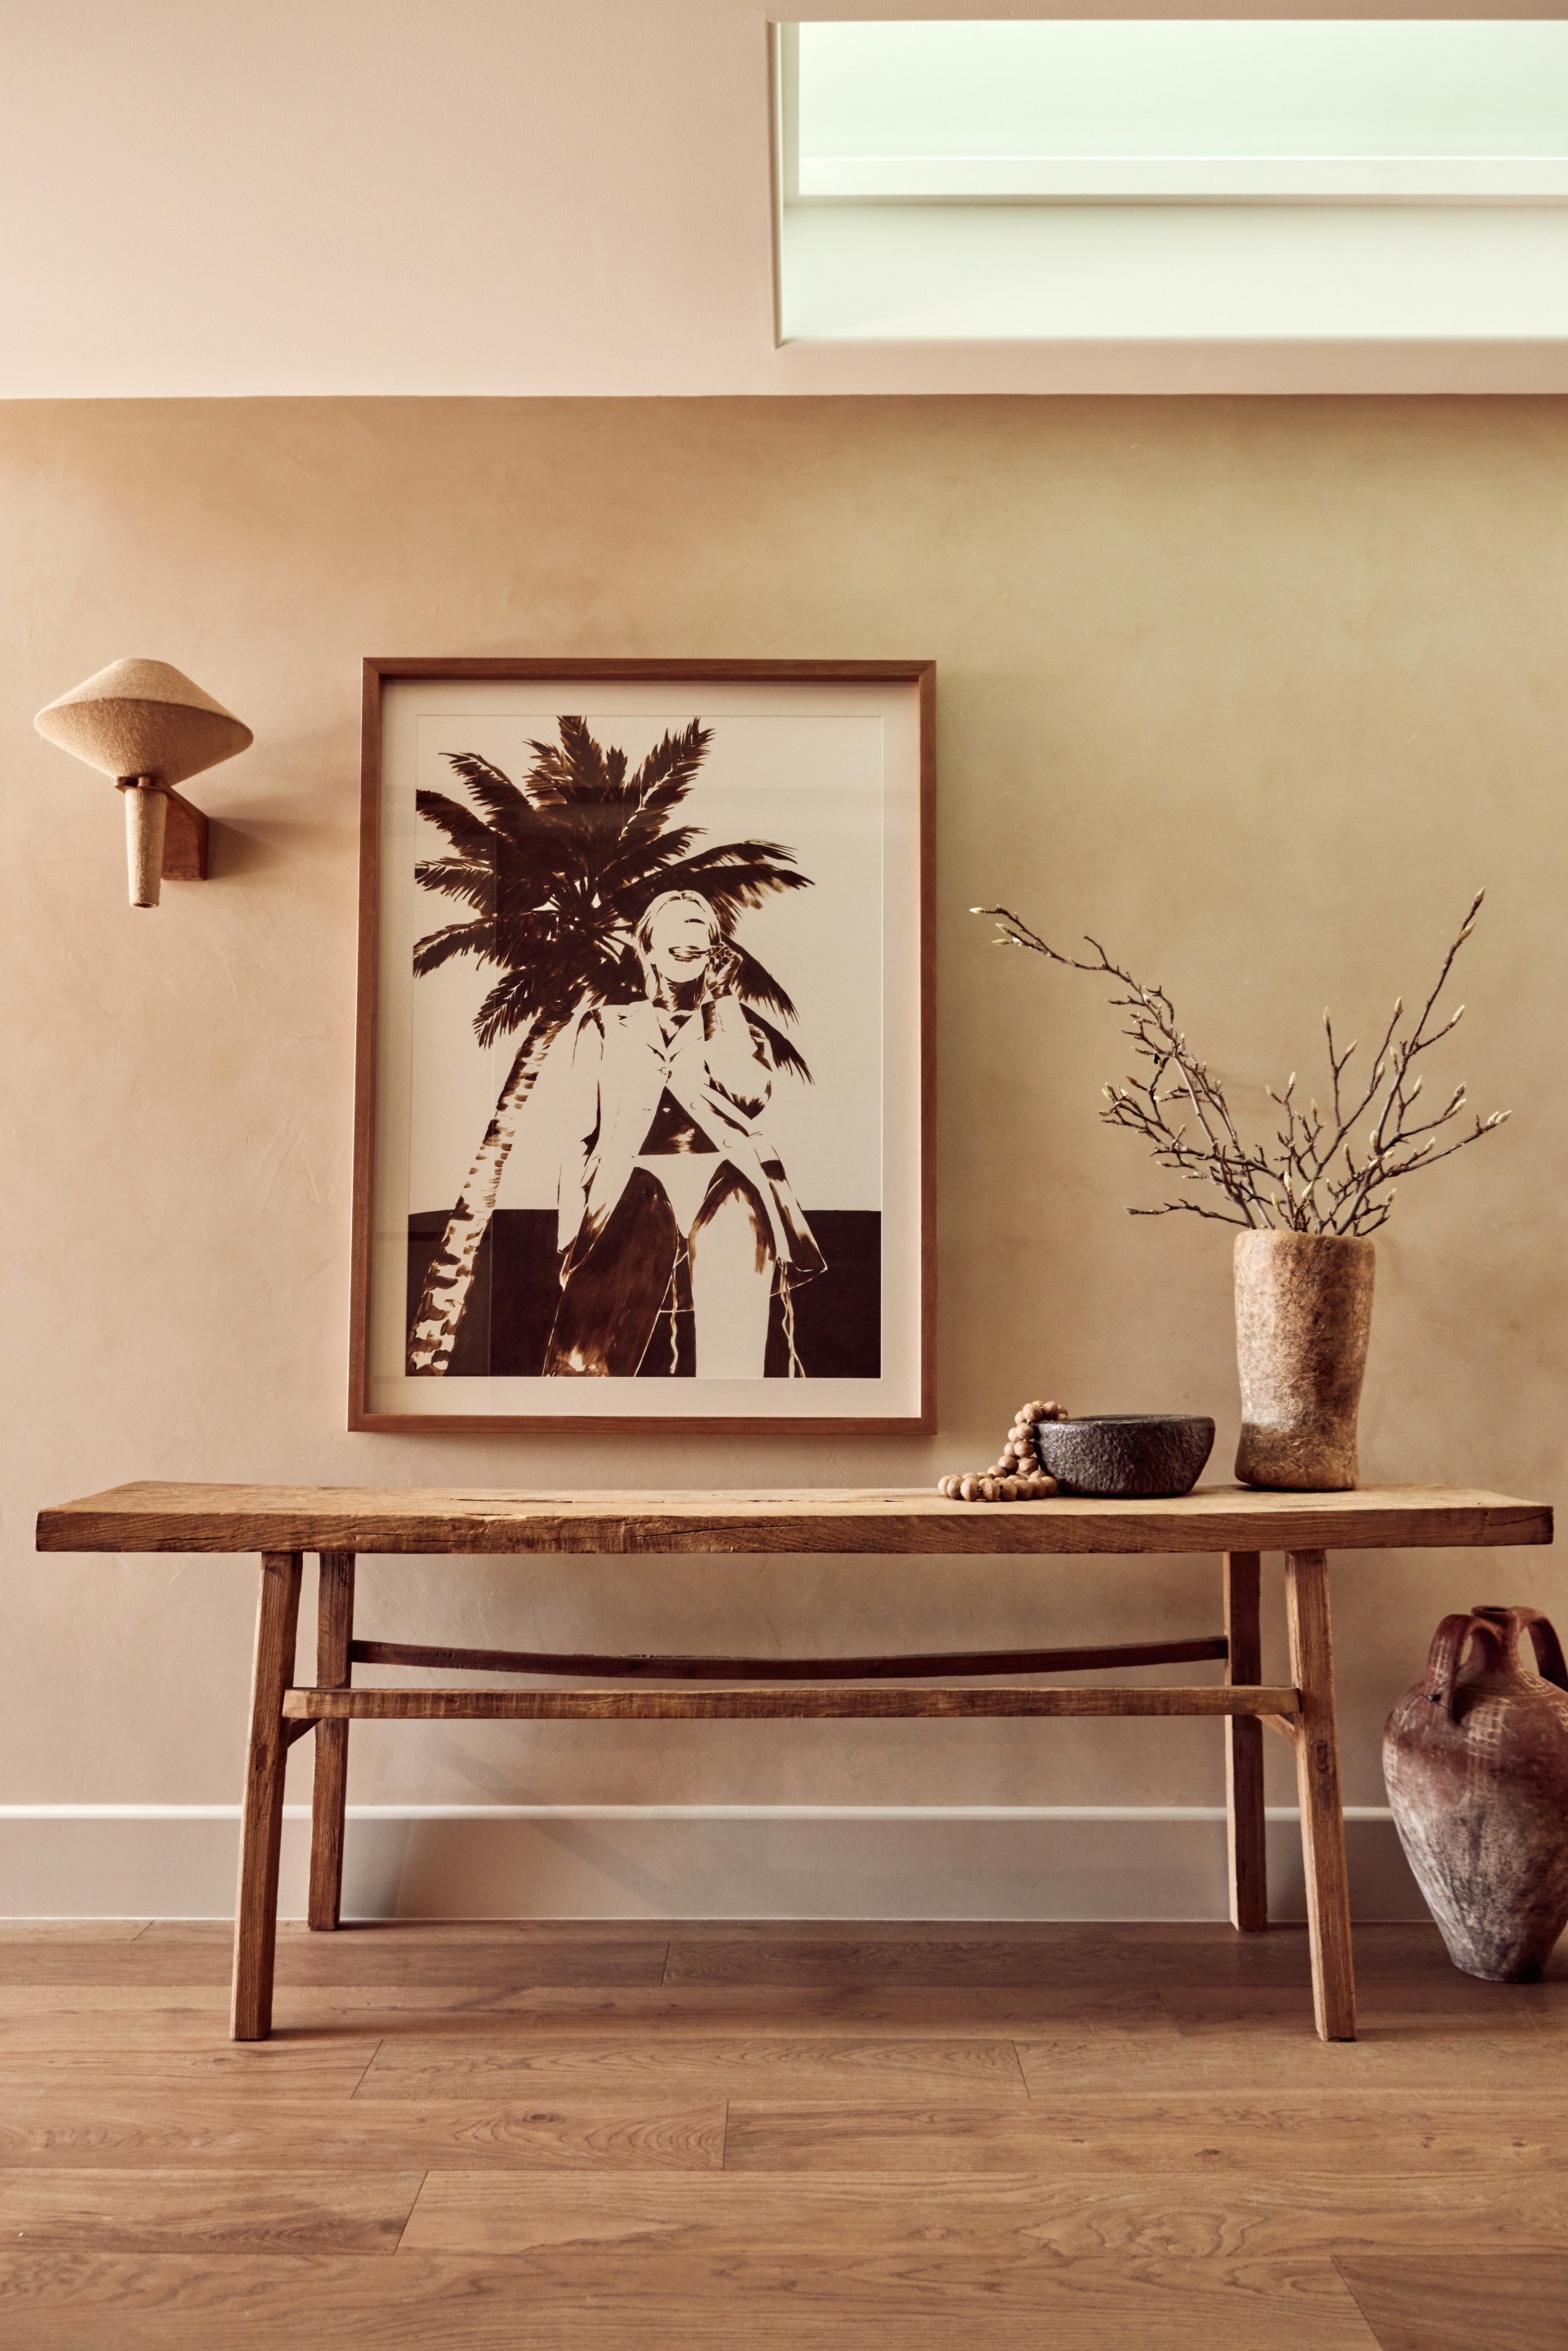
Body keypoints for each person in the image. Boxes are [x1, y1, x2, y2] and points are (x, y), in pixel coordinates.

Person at [543, 891, 822, 1378]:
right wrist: (570, 1231)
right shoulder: (606, 1024)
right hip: (626, 1188)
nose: (687, 936)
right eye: (674, 924)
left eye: (699, 924)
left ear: (714, 949)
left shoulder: (735, 1023)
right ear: (647, 946)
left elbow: (749, 1097)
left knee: (735, 1359)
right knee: (584, 1362)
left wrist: (721, 1002)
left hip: (727, 1180)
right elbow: (575, 1135)